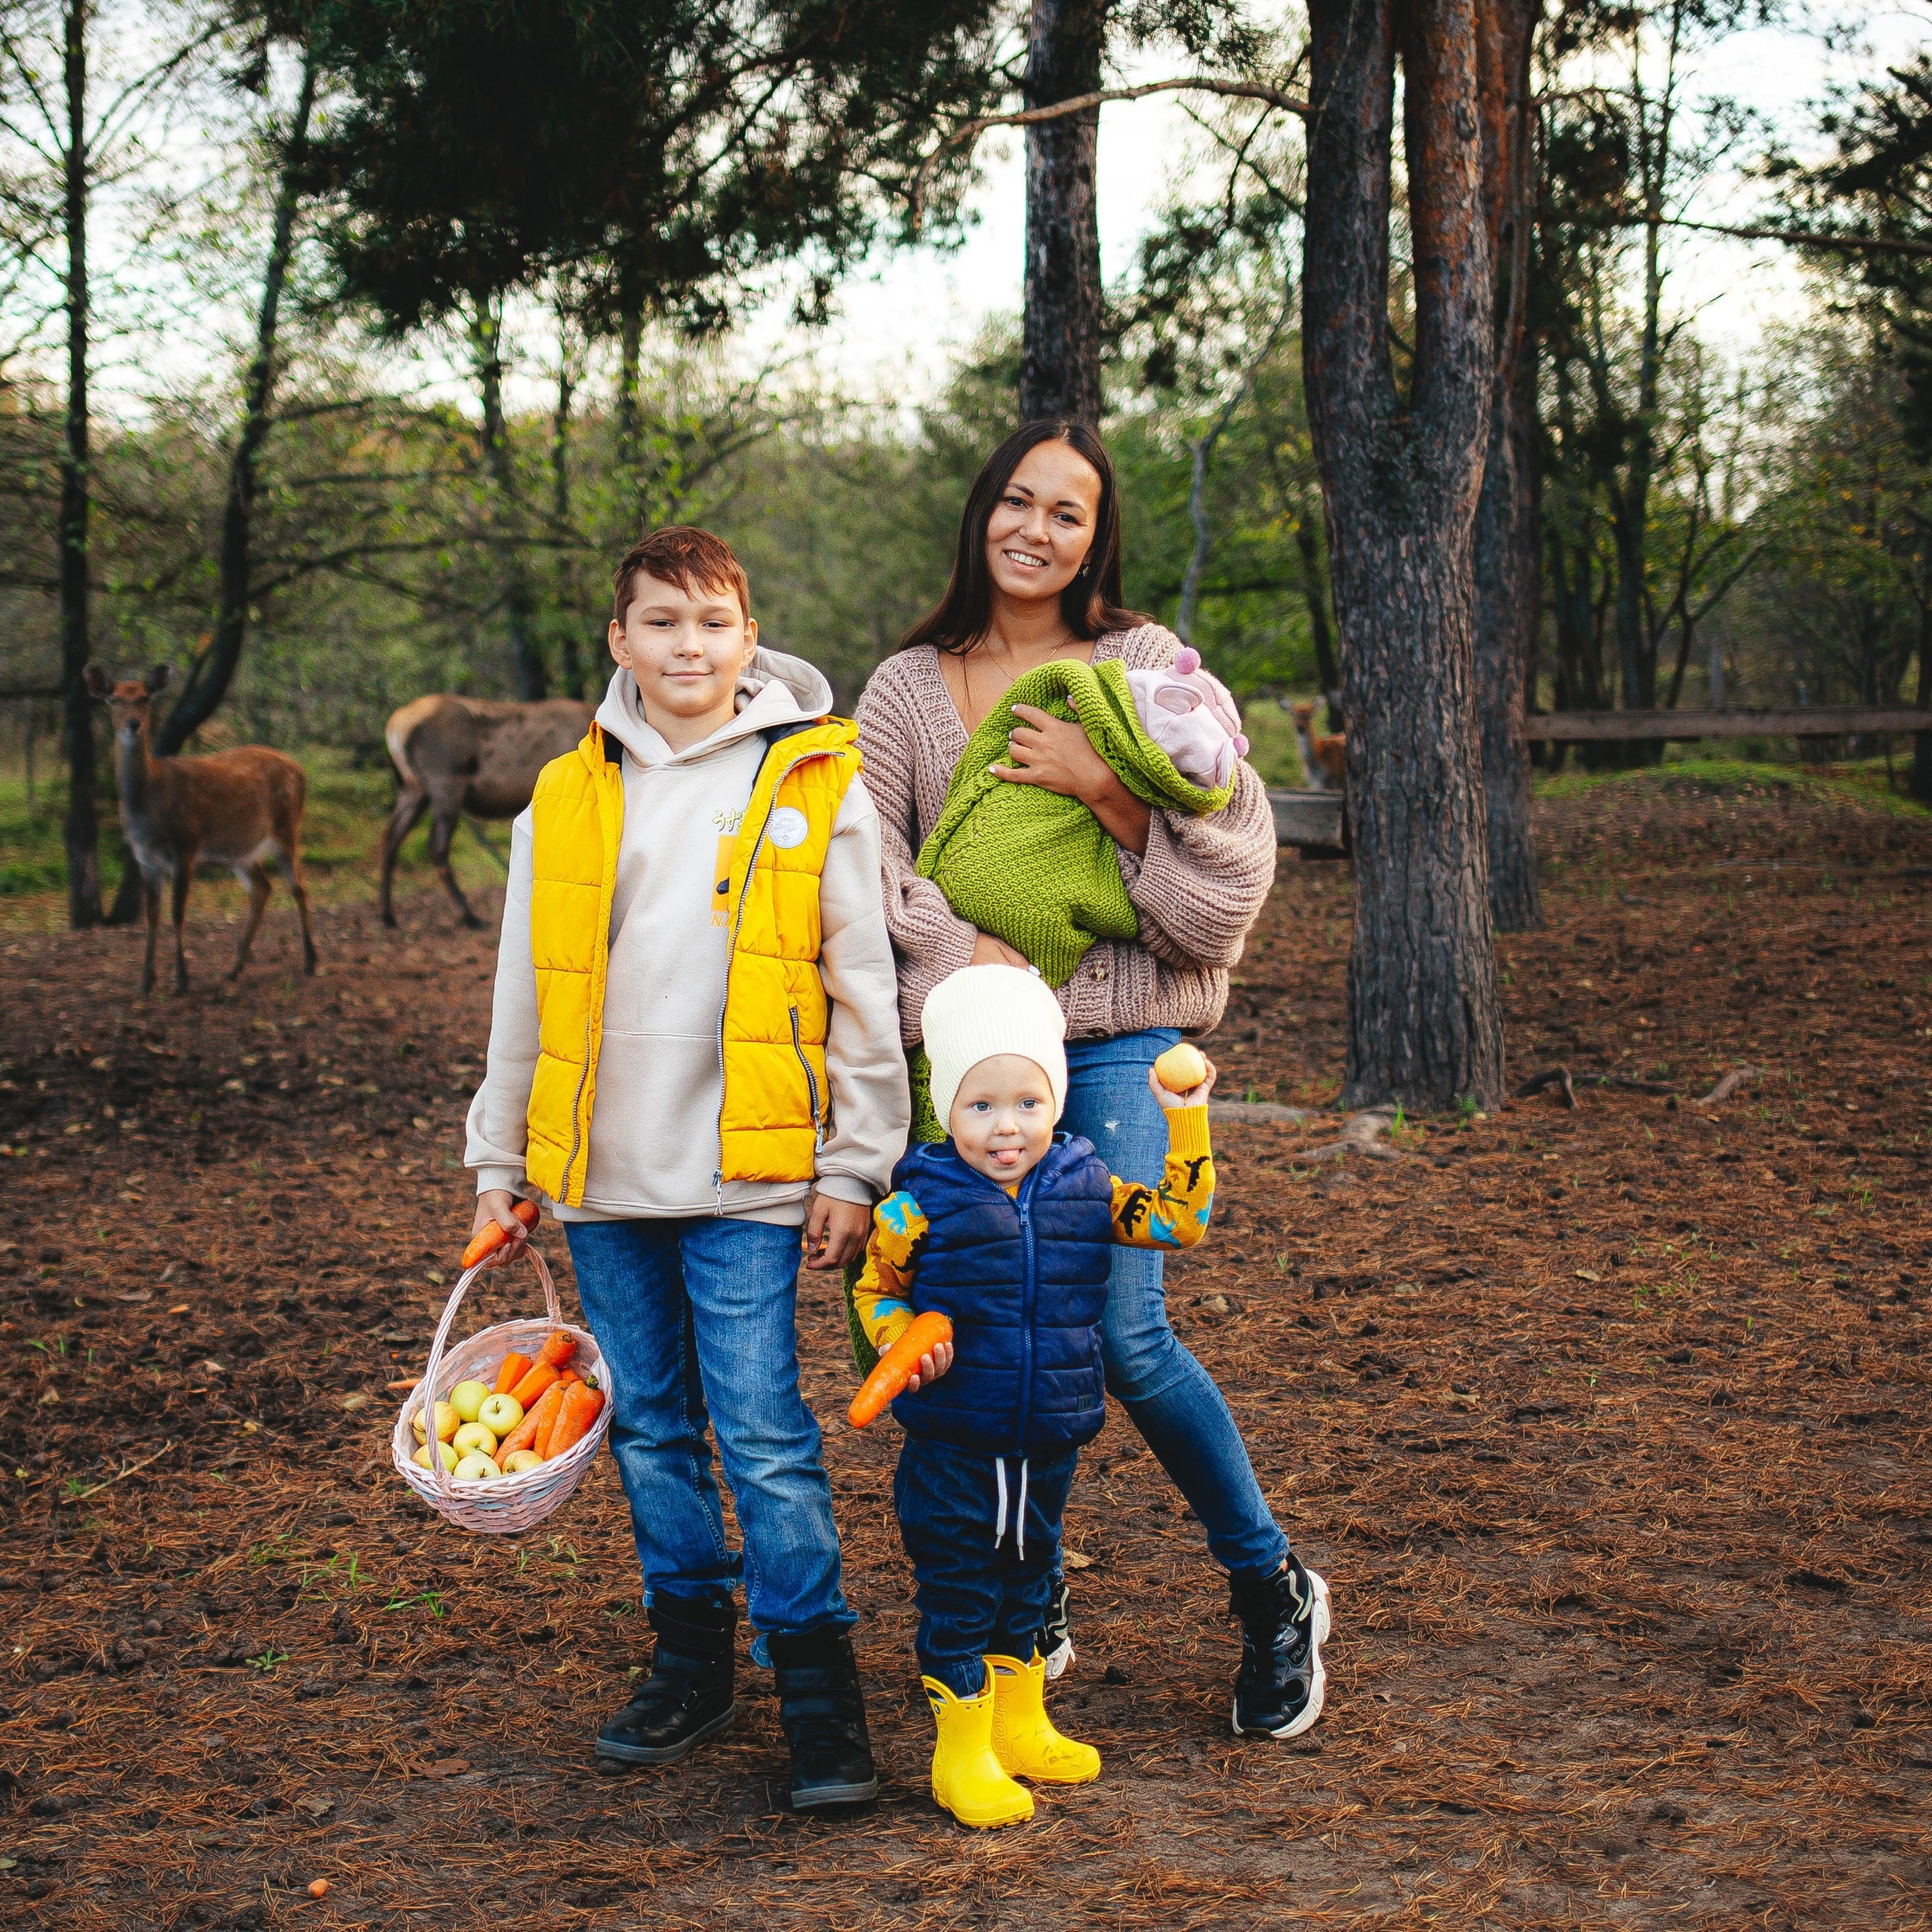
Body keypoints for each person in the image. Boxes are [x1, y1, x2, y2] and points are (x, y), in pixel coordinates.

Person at [854, 419, 1331, 1740]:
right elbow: (867, 871)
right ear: (980, 514)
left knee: (1120, 1334)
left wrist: (1105, 798)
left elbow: (1226, 884)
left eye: (1068, 512)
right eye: (1017, 501)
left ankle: (1270, 1583)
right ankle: (1026, 1598)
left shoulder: (1145, 672)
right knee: (968, 1337)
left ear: (1095, 536)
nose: (1036, 529)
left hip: (1115, 1042)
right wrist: (969, 952)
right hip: (962, 1062)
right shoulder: (900, 690)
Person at [464, 525, 910, 1808]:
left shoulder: (817, 780)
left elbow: (860, 982)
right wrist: (504, 1157)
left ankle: (820, 1696)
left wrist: (855, 1162)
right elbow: (522, 996)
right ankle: (691, 1659)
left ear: (750, 636)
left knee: (765, 1433)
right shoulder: (566, 796)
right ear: (620, 641)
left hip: (753, 1172)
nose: (688, 645)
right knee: (652, 1429)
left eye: (713, 622)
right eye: (661, 622)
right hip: (602, 1173)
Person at [851, 965, 1235, 1827]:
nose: (1006, 1127)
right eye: (979, 1106)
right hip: (955, 1441)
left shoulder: (1089, 1186)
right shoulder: (917, 1204)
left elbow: (1181, 1221)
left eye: (1027, 1100)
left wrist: (1186, 1118)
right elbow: (876, 1288)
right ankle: (961, 1755)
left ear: (1056, 1097)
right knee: (960, 1592)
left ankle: (1021, 1726)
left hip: (1049, 1433)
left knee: (1030, 1578)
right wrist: (896, 1339)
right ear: (947, 1108)